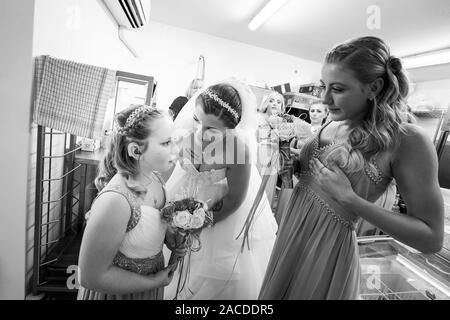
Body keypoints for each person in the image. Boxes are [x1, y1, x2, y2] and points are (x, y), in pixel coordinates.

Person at [259, 36, 444, 300]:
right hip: (291, 233)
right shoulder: (332, 122)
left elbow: (431, 238)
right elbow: (313, 182)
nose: (324, 99)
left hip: (326, 252)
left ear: (374, 87)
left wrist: (350, 199)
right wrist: (294, 165)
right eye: (324, 86)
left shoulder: (407, 139)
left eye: (337, 89)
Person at [164, 79, 278, 300]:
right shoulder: (185, 135)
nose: (199, 131)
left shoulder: (238, 151)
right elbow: (167, 170)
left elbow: (235, 200)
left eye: (210, 129)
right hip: (177, 208)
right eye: (197, 120)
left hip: (216, 218)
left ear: (230, 128)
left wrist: (199, 223)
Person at [77, 105, 180, 300]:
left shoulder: (156, 179)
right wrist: (154, 282)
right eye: (166, 142)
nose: (176, 149)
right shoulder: (116, 201)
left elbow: (145, 227)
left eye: (174, 140)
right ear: (136, 150)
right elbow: (91, 277)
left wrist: (169, 235)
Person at [256, 91, 285, 207]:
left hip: (272, 160)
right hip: (258, 158)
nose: (275, 104)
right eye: (271, 101)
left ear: (282, 107)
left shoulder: (283, 123)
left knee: (266, 191)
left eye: (278, 102)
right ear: (266, 103)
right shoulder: (258, 118)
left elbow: (284, 146)